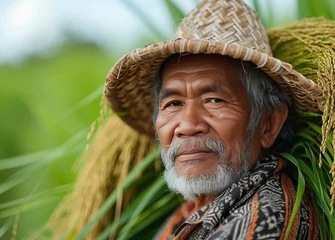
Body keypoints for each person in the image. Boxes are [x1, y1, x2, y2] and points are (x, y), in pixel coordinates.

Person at [104, 0, 322, 238]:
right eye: (173, 103)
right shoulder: (192, 212)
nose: (187, 126)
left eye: (214, 100)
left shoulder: (265, 222)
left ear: (268, 124)